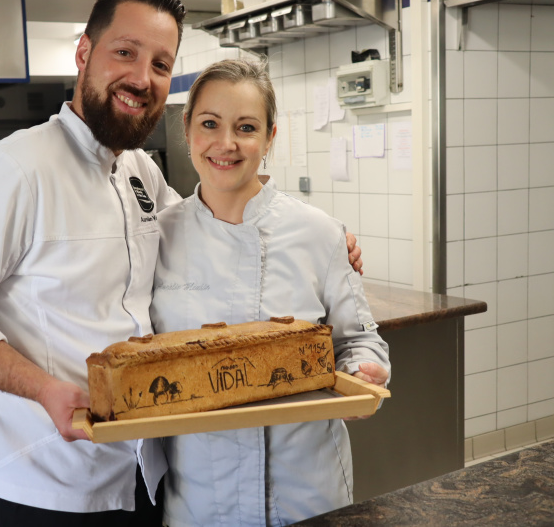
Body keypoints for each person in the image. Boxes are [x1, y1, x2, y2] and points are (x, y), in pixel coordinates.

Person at [0, 0, 363, 524]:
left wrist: (317, 236)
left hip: (139, 468)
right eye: (126, 52)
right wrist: (45, 389)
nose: (142, 79)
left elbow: (204, 227)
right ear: (84, 52)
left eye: (161, 64)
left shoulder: (139, 171)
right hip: (45, 479)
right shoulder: (13, 171)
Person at [148, 59, 390, 527]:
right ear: (187, 129)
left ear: (270, 137)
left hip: (306, 494)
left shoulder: (318, 233)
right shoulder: (156, 238)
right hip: (201, 501)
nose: (226, 143)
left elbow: (360, 339)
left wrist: (361, 373)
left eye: (246, 127)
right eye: (210, 124)